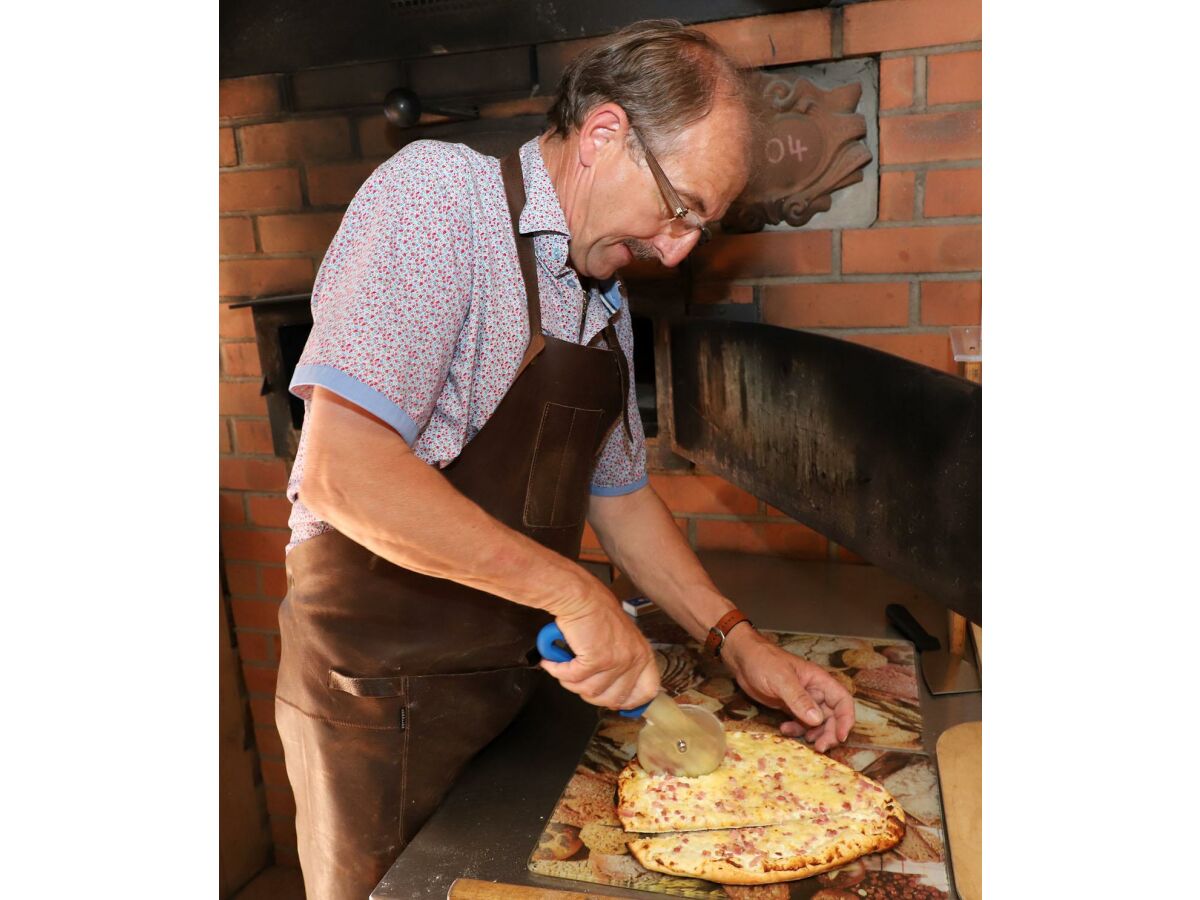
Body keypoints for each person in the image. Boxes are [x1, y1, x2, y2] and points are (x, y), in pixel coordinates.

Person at [275, 19, 856, 900]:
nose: (678, 249)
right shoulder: (441, 201)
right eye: (680, 207)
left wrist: (740, 642)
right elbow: (342, 468)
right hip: (379, 698)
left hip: (516, 677)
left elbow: (619, 497)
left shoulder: (604, 298)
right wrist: (572, 590)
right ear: (604, 134)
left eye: (702, 224)